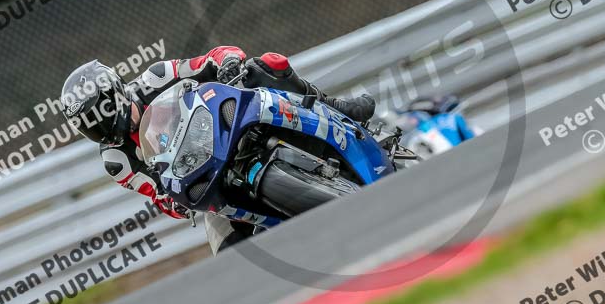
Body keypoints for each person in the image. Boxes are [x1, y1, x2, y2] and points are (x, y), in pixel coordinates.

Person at [60, 46, 375, 252]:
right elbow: (158, 196)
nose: (96, 127)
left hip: (226, 122)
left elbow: (212, 57)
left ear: (113, 94)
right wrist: (175, 203)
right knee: (224, 247)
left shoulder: (156, 77)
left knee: (263, 65)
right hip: (204, 173)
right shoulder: (117, 161)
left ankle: (335, 106)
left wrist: (228, 63)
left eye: (95, 114)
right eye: (86, 123)